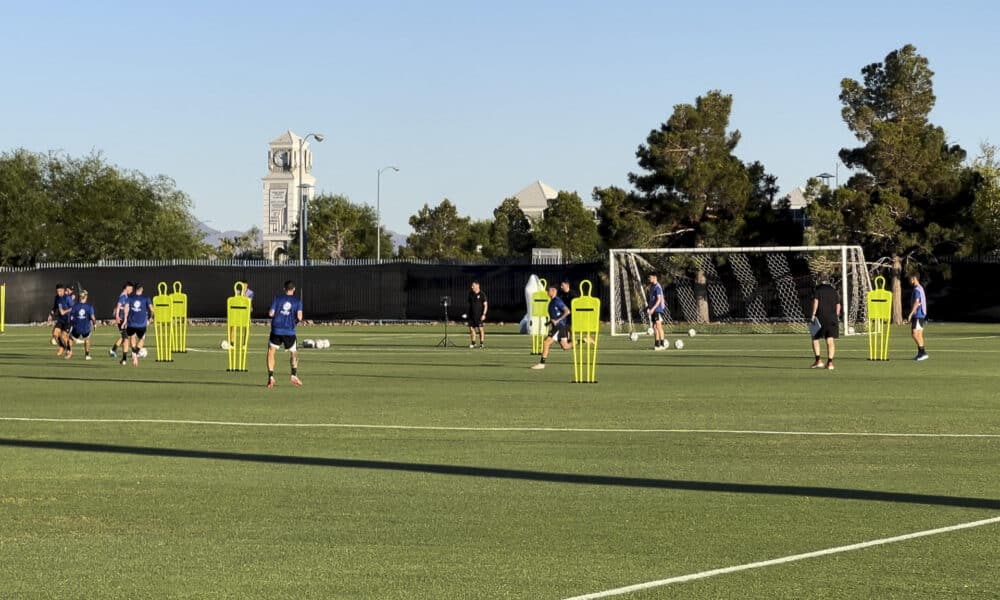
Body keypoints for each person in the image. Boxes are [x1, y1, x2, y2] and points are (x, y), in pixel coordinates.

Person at [266, 280, 304, 388]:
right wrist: (294, 321)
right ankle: (293, 374)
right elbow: (300, 317)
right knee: (294, 353)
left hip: (276, 330)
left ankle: (271, 376)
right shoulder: (297, 302)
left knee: (271, 352)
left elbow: (271, 313)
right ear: (294, 289)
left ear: (284, 289)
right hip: (289, 331)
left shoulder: (277, 299)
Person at [531, 284, 573, 369]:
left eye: (548, 290)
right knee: (565, 346)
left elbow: (567, 311)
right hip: (558, 326)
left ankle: (542, 364)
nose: (547, 292)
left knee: (546, 342)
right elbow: (556, 314)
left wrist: (557, 320)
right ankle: (584, 340)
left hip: (559, 326)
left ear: (553, 291)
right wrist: (551, 321)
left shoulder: (557, 300)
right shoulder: (552, 301)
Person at [809, 278, 841, 369]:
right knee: (830, 340)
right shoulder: (834, 291)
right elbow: (838, 305)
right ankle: (830, 363)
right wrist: (836, 316)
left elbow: (816, 302)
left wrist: (813, 314)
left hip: (820, 317)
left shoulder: (818, 290)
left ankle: (818, 360)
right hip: (832, 318)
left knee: (815, 338)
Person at [120, 283, 154, 367]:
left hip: (131, 323)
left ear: (135, 289)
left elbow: (126, 309)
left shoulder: (130, 298)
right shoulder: (146, 298)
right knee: (142, 339)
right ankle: (135, 353)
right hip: (142, 324)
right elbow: (152, 310)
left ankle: (132, 354)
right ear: (142, 289)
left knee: (132, 337)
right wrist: (151, 317)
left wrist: (124, 320)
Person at [66, 290, 96, 360]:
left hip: (76, 328)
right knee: (87, 339)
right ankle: (87, 355)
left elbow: (71, 317)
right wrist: (94, 324)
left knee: (70, 339)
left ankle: (69, 352)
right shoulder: (89, 306)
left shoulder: (75, 306)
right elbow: (92, 317)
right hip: (85, 328)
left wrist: (70, 324)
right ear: (86, 296)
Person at [907, 273, 929, 361]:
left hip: (918, 314)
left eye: (910, 279)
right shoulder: (920, 288)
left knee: (914, 333)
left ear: (913, 278)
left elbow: (917, 301)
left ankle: (923, 352)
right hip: (922, 313)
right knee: (919, 334)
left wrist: (911, 313)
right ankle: (920, 353)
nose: (909, 281)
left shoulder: (917, 289)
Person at [109, 281, 134, 358]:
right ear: (127, 288)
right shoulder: (123, 296)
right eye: (131, 288)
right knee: (126, 336)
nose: (132, 290)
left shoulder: (125, 296)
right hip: (122, 319)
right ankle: (128, 354)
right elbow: (118, 305)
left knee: (125, 336)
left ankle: (113, 350)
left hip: (123, 318)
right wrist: (117, 316)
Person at [646, 274, 667, 351]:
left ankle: (662, 344)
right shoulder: (651, 287)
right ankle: (657, 344)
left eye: (650, 277)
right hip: (653, 309)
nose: (649, 278)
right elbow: (651, 300)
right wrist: (649, 308)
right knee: (654, 327)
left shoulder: (657, 287)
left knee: (658, 326)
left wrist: (653, 309)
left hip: (658, 309)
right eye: (648, 277)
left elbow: (659, 299)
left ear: (655, 277)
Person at [55, 284, 76, 357]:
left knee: (63, 336)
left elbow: (73, 307)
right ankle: (62, 346)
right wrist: (51, 314)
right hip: (61, 320)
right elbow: (55, 306)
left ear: (63, 290)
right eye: (57, 291)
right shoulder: (57, 297)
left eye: (60, 291)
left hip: (68, 320)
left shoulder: (67, 298)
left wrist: (65, 311)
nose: (58, 293)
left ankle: (69, 350)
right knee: (55, 334)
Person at [467, 280, 488, 349]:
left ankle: (481, 343)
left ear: (477, 286)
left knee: (480, 329)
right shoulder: (470, 294)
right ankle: (473, 343)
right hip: (471, 315)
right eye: (472, 286)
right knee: (471, 329)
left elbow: (485, 305)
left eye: (473, 286)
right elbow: (470, 304)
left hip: (479, 316)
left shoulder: (482, 294)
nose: (472, 287)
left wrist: (484, 314)